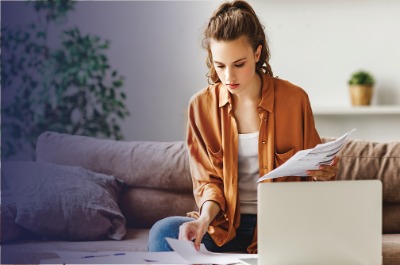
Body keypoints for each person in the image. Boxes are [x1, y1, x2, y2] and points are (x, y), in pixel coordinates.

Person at [148, 0, 339, 254]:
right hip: (224, 228)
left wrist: (323, 173)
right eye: (220, 66)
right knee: (164, 231)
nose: (229, 77)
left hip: (282, 227)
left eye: (239, 64)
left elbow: (315, 170)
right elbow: (208, 184)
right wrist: (203, 219)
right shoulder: (200, 107)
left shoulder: (295, 100)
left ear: (257, 54)